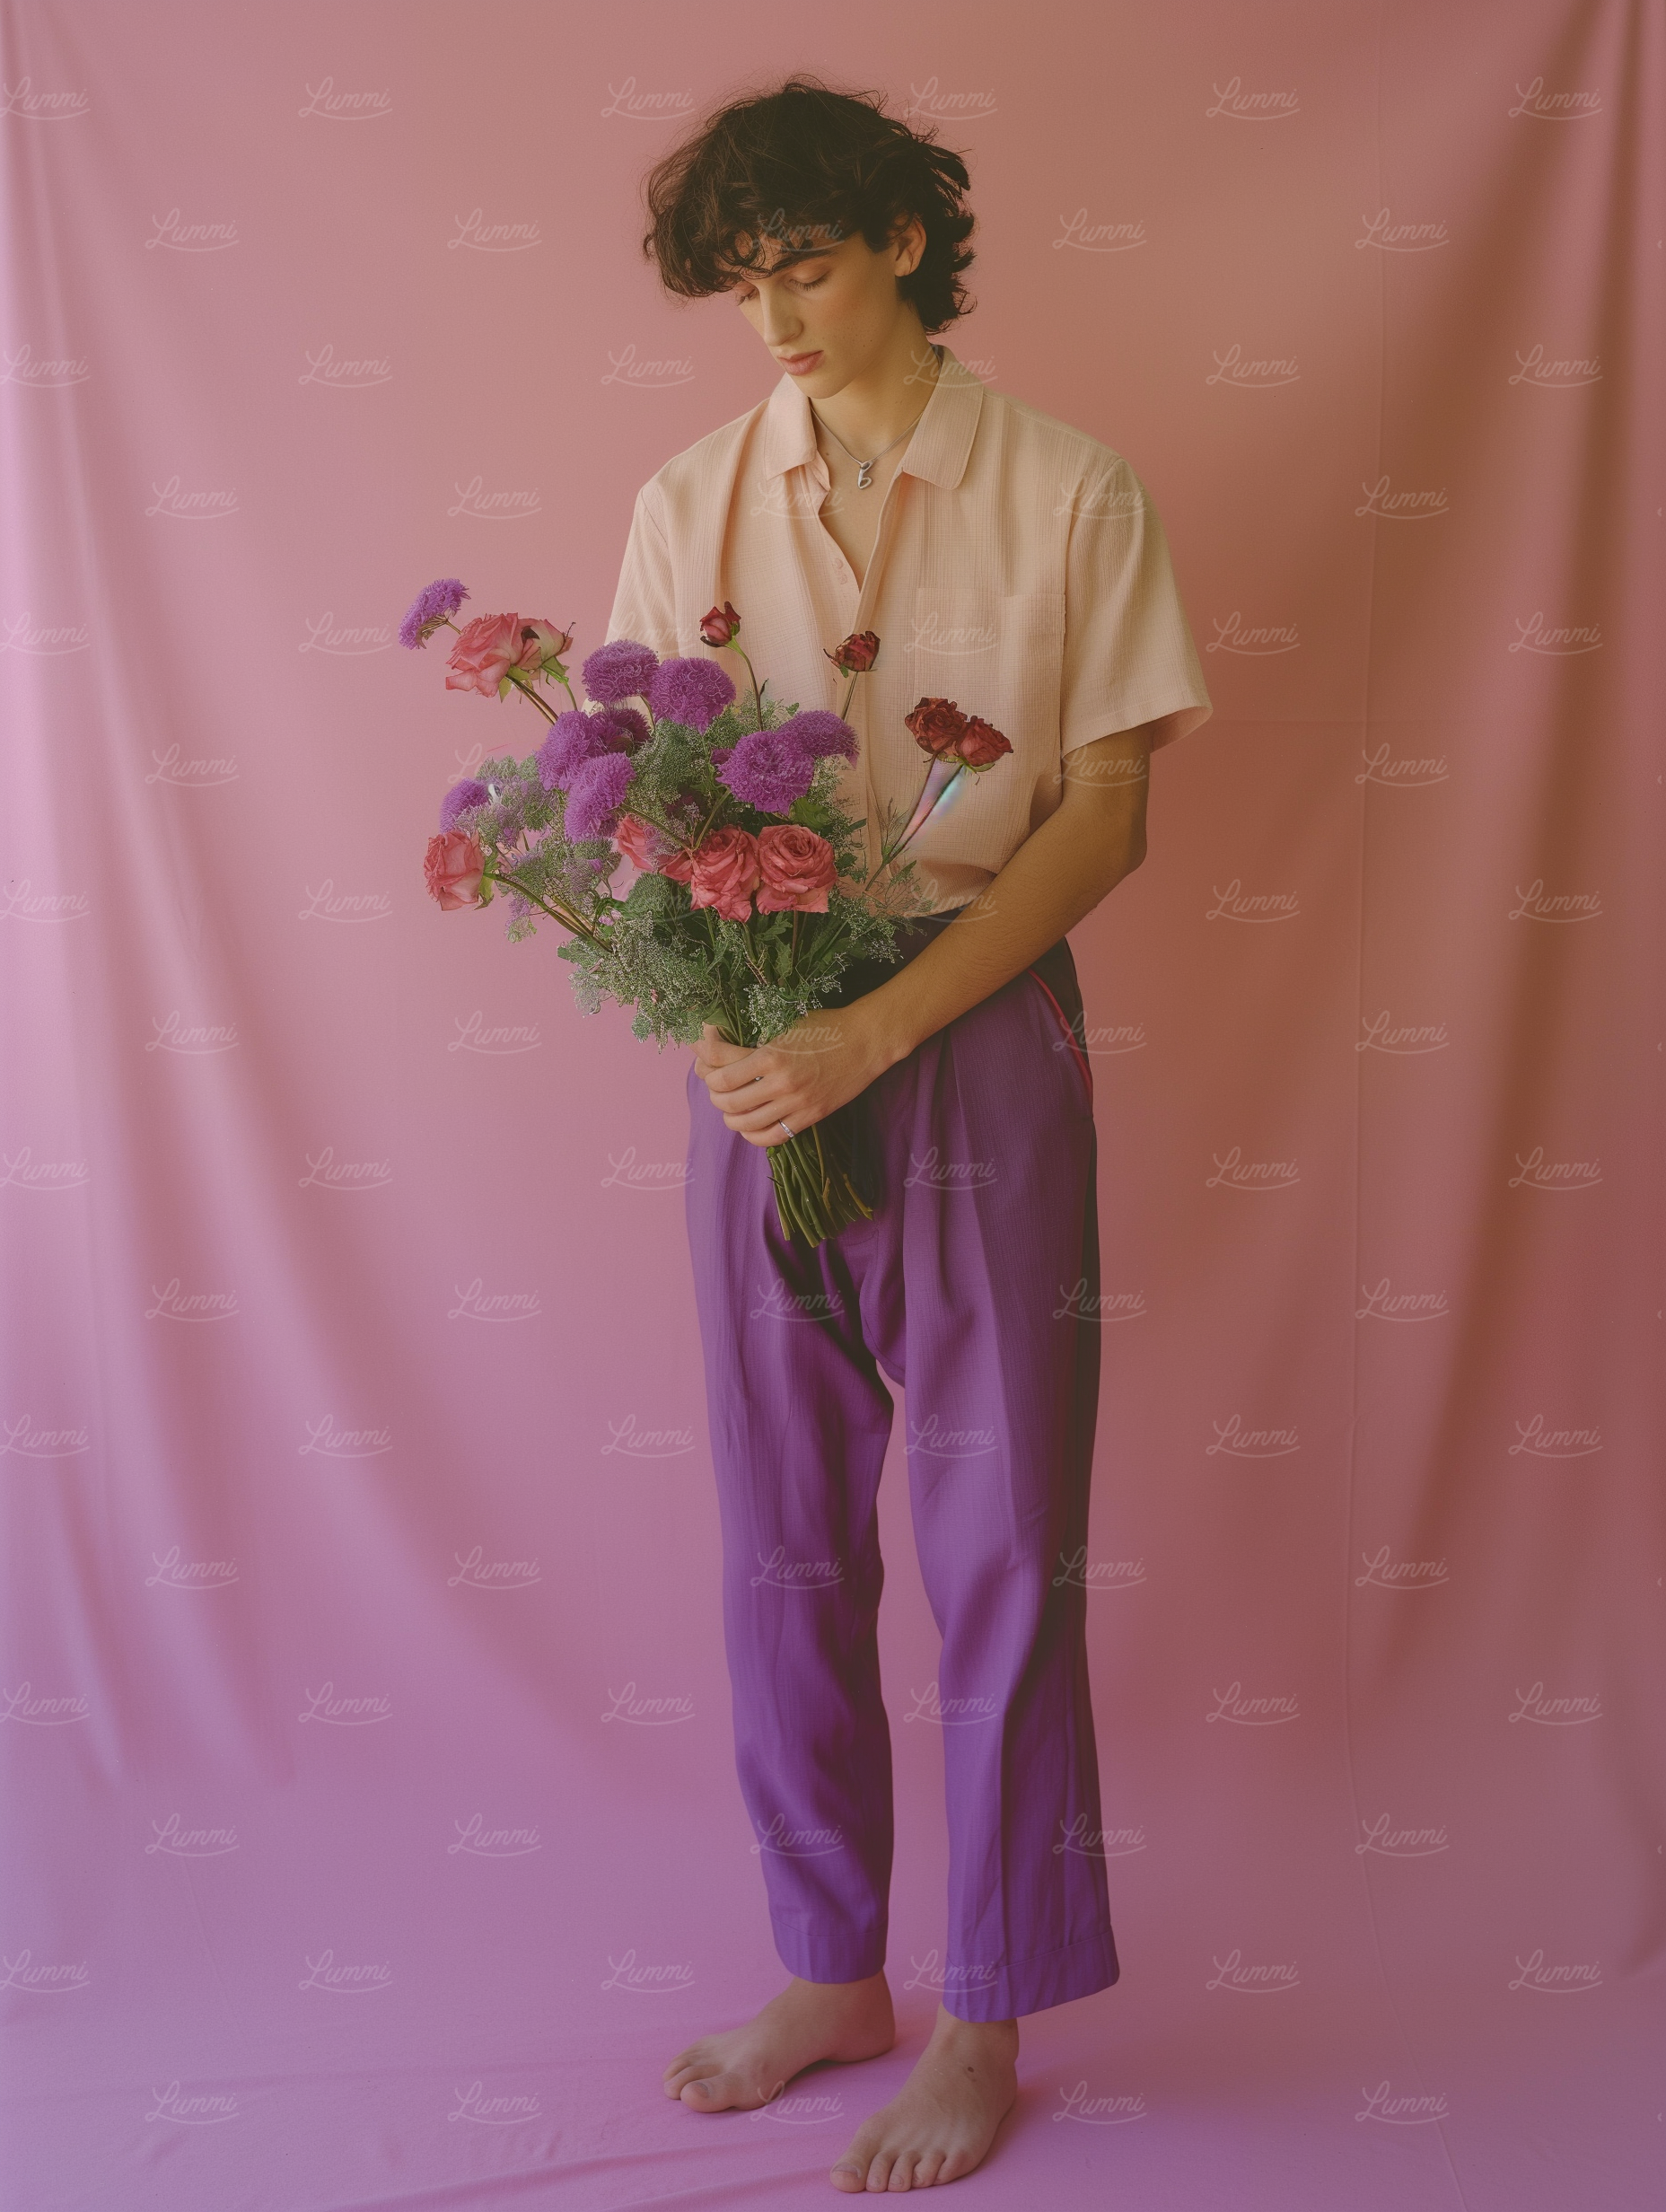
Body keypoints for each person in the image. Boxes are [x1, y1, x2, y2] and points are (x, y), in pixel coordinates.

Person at [603, 75, 1212, 2193]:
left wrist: (879, 1023)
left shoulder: (1070, 489)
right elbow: (633, 795)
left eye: (807, 265)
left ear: (902, 245)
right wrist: (731, 1016)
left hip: (967, 1032)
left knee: (1000, 1542)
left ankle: (986, 2006)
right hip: (752, 1046)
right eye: (741, 281)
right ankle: (827, 1967)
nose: (776, 314)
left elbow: (1105, 813)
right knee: (779, 1539)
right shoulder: (688, 497)